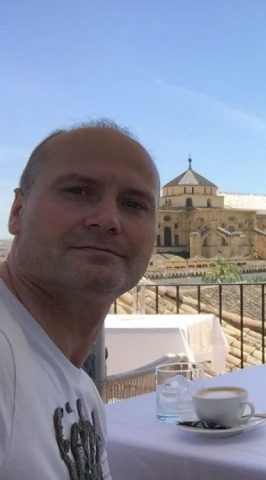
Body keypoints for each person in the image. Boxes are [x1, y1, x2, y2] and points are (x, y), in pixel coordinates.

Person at [0, 119, 160, 479]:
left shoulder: (82, 393)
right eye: (78, 191)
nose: (108, 219)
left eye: (133, 204)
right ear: (18, 211)